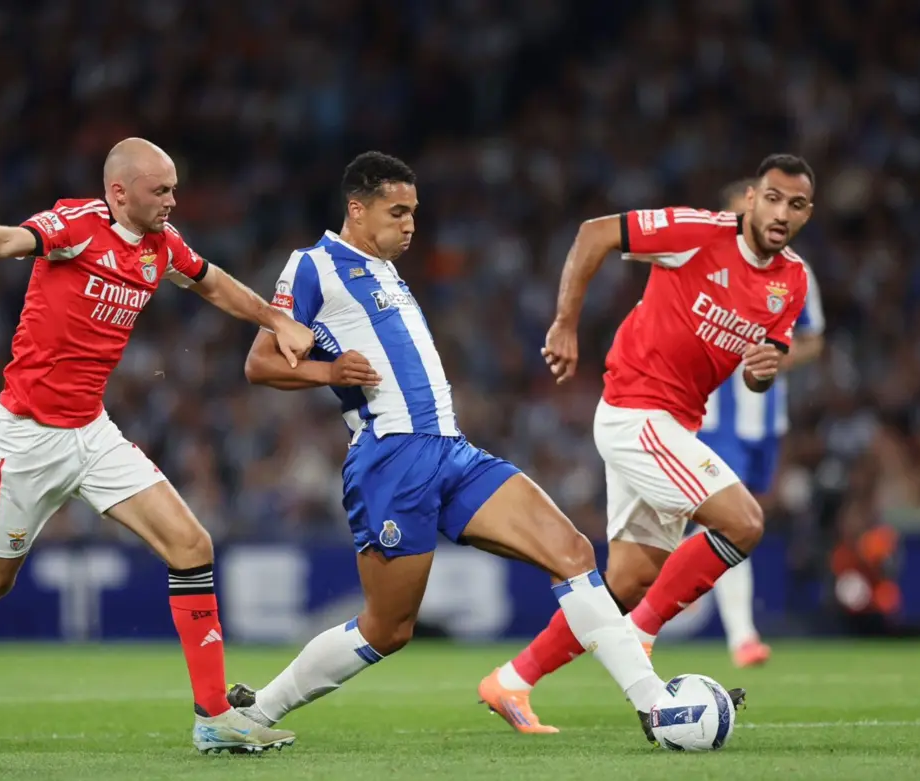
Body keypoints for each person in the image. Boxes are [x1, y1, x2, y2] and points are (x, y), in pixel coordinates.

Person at [0, 138, 311, 754]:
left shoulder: (163, 245)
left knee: (191, 545)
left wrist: (277, 320)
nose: (172, 201)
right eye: (161, 191)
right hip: (22, 438)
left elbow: (211, 283)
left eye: (175, 188)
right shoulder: (78, 225)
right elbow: (10, 240)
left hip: (91, 431)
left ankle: (213, 716)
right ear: (118, 192)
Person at [227, 150, 674, 745]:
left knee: (571, 551)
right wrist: (329, 375)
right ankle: (255, 714)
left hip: (453, 452)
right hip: (393, 458)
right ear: (356, 210)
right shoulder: (314, 266)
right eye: (397, 211)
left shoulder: (387, 270)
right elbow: (260, 362)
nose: (410, 223)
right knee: (388, 629)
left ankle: (654, 705)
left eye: (414, 211)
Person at [480, 153, 815, 732]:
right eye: (774, 197)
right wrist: (565, 322)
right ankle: (641, 634)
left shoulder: (793, 280)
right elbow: (595, 233)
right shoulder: (699, 233)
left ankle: (511, 681)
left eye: (798, 204)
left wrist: (765, 369)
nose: (782, 212)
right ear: (753, 198)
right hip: (636, 412)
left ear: (808, 213)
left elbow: (762, 368)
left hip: (674, 422)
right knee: (744, 523)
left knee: (631, 578)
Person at [693, 179, 826, 668]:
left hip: (763, 422)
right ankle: (741, 635)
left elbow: (812, 339)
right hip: (708, 418)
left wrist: (776, 359)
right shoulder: (704, 261)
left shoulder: (794, 271)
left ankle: (640, 621)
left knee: (723, 525)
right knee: (729, 522)